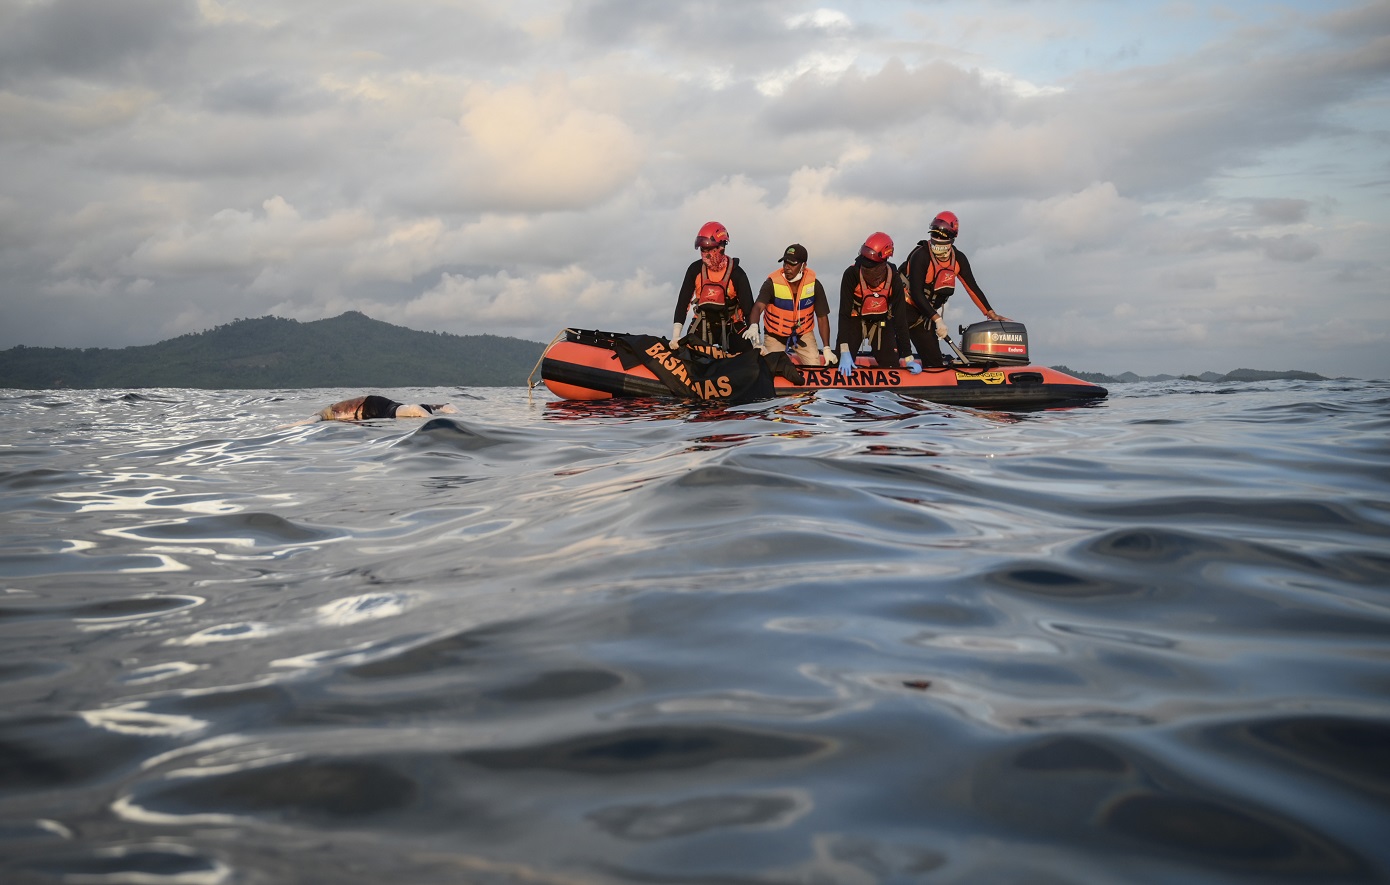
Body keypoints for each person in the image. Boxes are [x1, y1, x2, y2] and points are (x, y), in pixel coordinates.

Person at [899, 211, 1011, 367]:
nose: (938, 240)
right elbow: (917, 294)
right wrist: (938, 320)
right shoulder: (921, 255)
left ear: (951, 238)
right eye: (935, 235)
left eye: (942, 236)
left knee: (934, 363)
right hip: (902, 311)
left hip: (924, 318)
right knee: (893, 357)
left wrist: (991, 313)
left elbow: (972, 287)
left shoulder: (958, 259)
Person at [835, 232, 921, 379]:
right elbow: (844, 313)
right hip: (855, 320)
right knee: (839, 365)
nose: (867, 268)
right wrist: (844, 350)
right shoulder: (851, 273)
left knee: (890, 365)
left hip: (881, 323)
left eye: (872, 265)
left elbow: (900, 319)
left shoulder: (894, 278)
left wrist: (908, 357)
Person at [671, 221, 755, 354]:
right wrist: (676, 336)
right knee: (686, 356)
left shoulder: (737, 273)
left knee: (750, 358)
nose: (705, 254)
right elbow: (683, 303)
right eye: (702, 249)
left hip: (731, 325)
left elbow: (749, 308)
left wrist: (757, 341)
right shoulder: (695, 269)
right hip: (703, 322)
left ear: (721, 247)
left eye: (709, 249)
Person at [747, 243, 837, 366]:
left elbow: (822, 317)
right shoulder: (771, 283)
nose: (787, 267)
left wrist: (827, 348)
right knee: (770, 368)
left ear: (803, 266)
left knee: (814, 364)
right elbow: (758, 307)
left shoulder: (814, 285)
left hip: (803, 334)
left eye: (792, 264)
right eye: (785, 263)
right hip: (775, 335)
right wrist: (753, 326)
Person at [317, 395, 456, 421]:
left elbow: (308, 421)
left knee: (412, 410)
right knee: (420, 408)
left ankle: (433, 419)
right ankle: (446, 407)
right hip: (377, 404)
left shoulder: (325, 413)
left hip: (373, 407)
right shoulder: (329, 411)